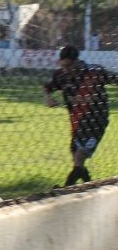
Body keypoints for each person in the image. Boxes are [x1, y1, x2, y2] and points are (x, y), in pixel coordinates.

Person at [44, 46, 118, 187]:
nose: (66, 69)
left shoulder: (95, 72)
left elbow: (115, 79)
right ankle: (90, 187)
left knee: (79, 156)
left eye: (69, 65)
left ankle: (64, 190)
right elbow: (47, 87)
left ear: (77, 61)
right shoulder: (61, 76)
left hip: (97, 121)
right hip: (77, 122)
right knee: (77, 161)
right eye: (63, 65)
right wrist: (48, 98)